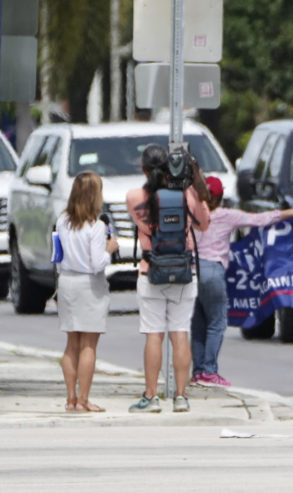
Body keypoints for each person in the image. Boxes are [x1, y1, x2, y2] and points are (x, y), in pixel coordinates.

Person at [190, 176, 293, 386]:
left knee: (198, 323)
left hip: (192, 270)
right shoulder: (226, 215)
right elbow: (260, 219)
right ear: (220, 196)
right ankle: (209, 370)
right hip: (213, 270)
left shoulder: (193, 215)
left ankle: (198, 371)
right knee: (217, 322)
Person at [126, 144, 210, 413]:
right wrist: (194, 181)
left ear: (143, 168)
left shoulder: (134, 197)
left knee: (153, 334)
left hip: (150, 270)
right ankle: (181, 396)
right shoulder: (185, 194)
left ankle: (151, 397)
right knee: (180, 333)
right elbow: (204, 222)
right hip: (184, 272)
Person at [56, 171, 119, 412]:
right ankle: (83, 398)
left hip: (67, 281)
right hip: (89, 284)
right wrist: (109, 250)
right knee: (89, 345)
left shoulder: (63, 220)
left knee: (72, 343)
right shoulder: (96, 226)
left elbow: (58, 256)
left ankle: (70, 398)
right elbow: (96, 263)